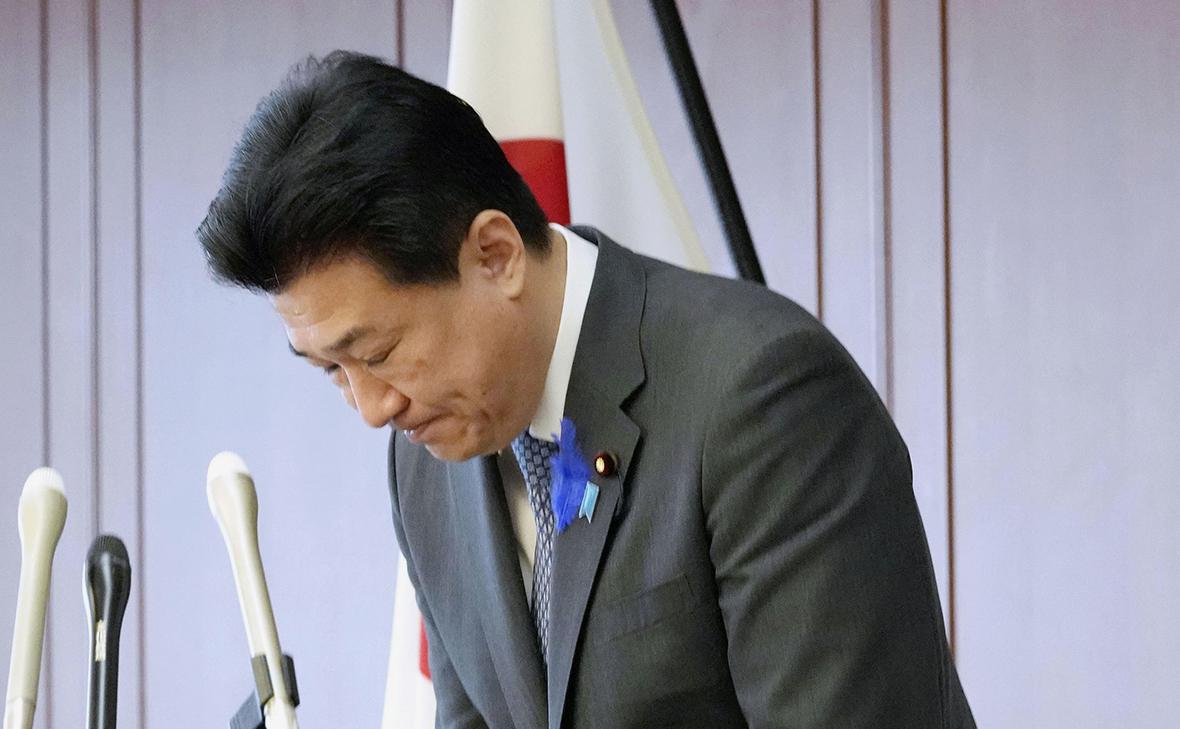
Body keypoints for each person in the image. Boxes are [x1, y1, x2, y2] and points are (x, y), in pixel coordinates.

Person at [197, 51, 975, 729]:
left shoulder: (760, 398)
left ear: (496, 254)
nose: (373, 409)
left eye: (381, 352)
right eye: (333, 370)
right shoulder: (425, 465)